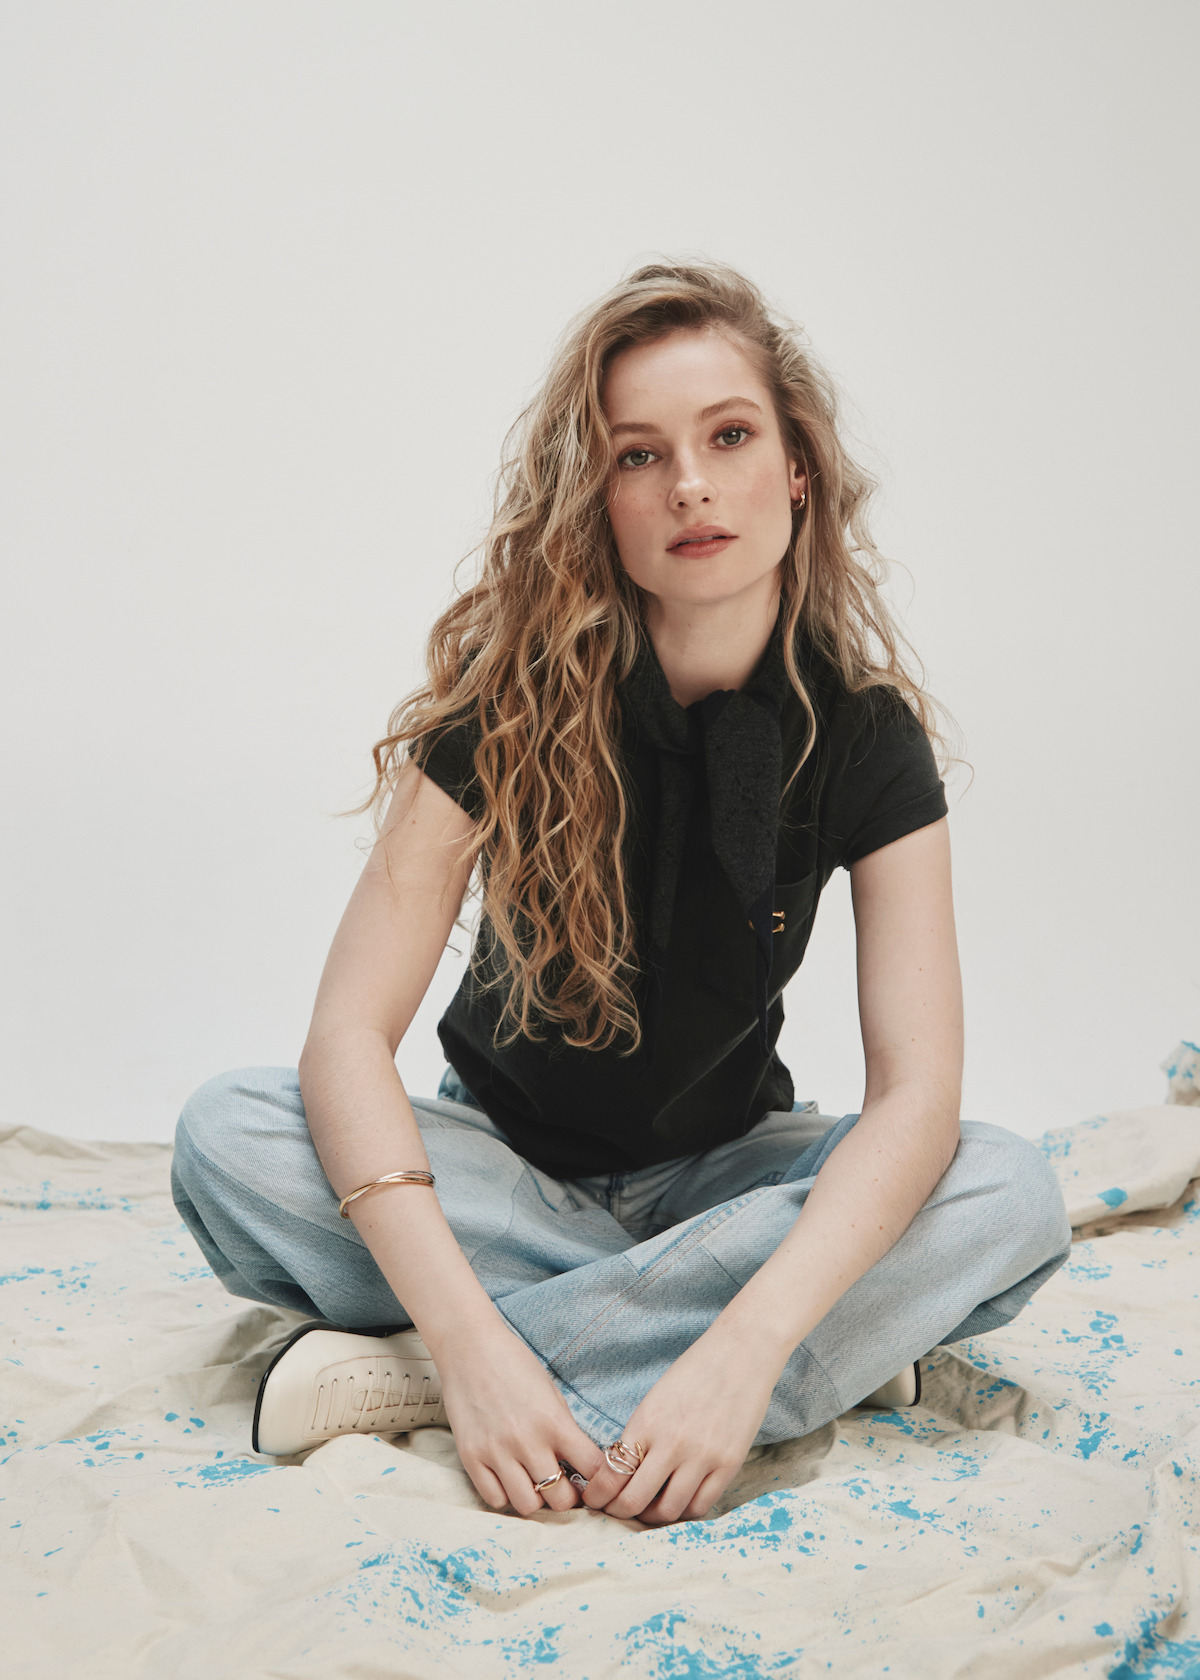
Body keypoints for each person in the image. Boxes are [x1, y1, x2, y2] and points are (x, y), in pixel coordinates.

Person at [171, 261, 1071, 1528]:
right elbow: (343, 1039)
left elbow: (917, 1097)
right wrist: (488, 1350)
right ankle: (787, 1356)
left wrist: (743, 1347)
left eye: (729, 436)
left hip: (731, 1180)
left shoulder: (867, 738)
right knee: (228, 1138)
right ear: (596, 497)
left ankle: (419, 1376)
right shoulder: (508, 704)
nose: (690, 483)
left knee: (1008, 1193)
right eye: (637, 455)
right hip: (499, 1169)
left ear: (797, 466)